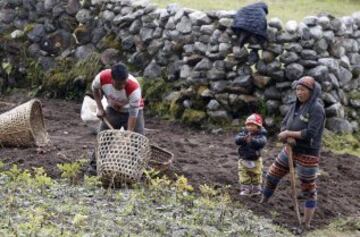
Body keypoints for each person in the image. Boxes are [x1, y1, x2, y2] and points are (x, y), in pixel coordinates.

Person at [261, 76, 326, 229]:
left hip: (307, 153)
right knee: (272, 175)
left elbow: (311, 133)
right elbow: (284, 124)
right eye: (297, 89)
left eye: (302, 90)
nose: (299, 92)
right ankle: (262, 202)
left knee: (308, 188)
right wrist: (285, 135)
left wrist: (290, 133)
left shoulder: (317, 108)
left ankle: (306, 222)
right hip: (290, 149)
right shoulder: (295, 106)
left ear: (311, 92)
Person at [87, 63, 145, 174]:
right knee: (103, 137)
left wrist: (129, 134)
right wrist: (100, 108)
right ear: (112, 79)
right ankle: (94, 167)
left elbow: (133, 114)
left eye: (124, 83)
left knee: (137, 140)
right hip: (113, 110)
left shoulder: (134, 88)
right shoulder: (102, 78)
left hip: (133, 112)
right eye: (119, 84)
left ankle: (134, 171)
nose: (123, 86)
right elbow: (95, 89)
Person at [235, 113, 267, 196]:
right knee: (243, 173)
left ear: (258, 126)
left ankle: (256, 188)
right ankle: (246, 189)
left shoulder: (261, 135)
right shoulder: (243, 133)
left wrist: (252, 141)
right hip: (243, 158)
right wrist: (243, 139)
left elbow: (262, 143)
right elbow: (237, 140)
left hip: (255, 159)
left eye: (252, 125)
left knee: (256, 173)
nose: (249, 127)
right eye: (248, 125)